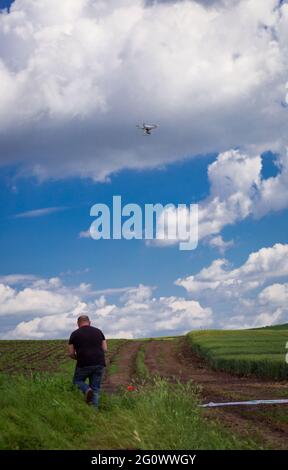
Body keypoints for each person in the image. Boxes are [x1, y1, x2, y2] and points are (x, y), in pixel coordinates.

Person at [68, 315, 107, 409]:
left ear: (78, 324)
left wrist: (79, 358)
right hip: (99, 363)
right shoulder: (98, 331)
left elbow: (71, 353)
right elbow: (105, 349)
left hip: (83, 363)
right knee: (96, 389)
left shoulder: (74, 334)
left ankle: (86, 389)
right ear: (90, 322)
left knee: (77, 381)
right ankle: (94, 412)